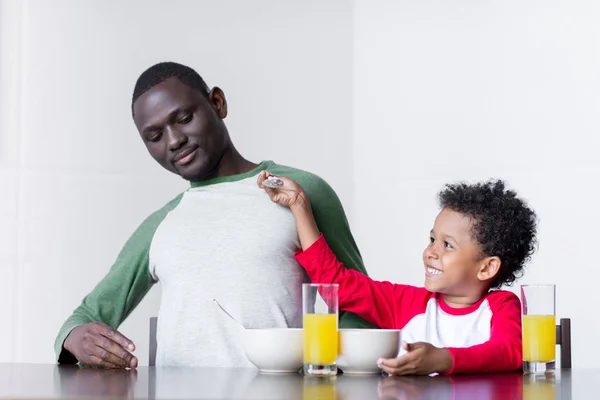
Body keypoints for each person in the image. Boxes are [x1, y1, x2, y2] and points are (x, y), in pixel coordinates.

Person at [54, 62, 375, 369]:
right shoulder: (162, 223)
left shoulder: (299, 191)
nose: (174, 140)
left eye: (183, 118)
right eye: (154, 137)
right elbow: (83, 317)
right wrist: (76, 338)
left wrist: (334, 379)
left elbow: (359, 304)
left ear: (217, 103)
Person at [258, 172, 537, 375]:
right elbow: (337, 282)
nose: (431, 252)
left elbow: (509, 350)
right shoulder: (407, 303)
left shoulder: (501, 306)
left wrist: (442, 359)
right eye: (432, 240)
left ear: (487, 267)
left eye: (447, 245)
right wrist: (299, 206)